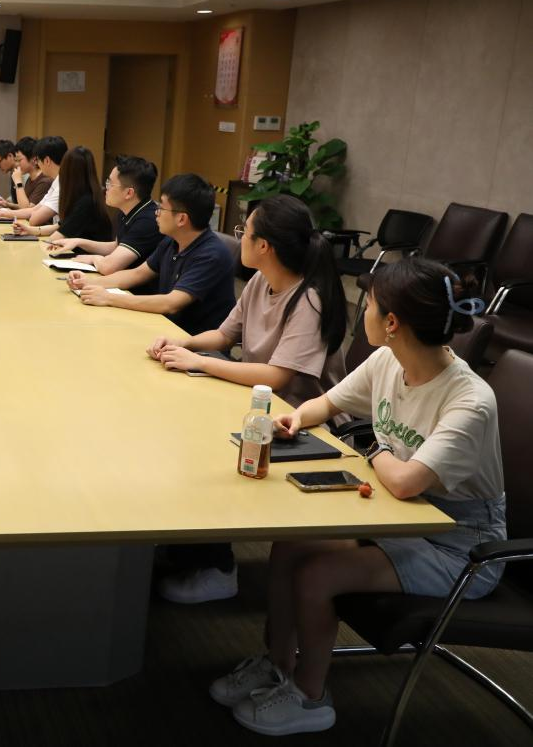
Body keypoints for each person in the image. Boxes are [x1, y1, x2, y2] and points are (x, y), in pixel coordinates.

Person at [211, 257, 504, 736]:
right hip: (402, 517)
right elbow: (329, 403)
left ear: (392, 323)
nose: (360, 311)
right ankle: (278, 664)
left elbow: (406, 481)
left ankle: (310, 696)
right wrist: (297, 419)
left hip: (460, 547)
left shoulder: (469, 401)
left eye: (367, 304)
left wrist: (374, 448)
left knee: (318, 574)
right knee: (289, 546)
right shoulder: (391, 360)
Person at [147, 194, 349, 604]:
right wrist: (183, 343)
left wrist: (199, 363)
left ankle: (219, 567)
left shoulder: (308, 300)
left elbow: (277, 377)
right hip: (255, 403)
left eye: (244, 232)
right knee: (175, 422)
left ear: (264, 246)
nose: (238, 238)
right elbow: (224, 336)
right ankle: (185, 545)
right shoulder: (261, 281)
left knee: (200, 449)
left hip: (300, 423)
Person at [70, 174, 235, 335]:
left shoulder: (211, 255)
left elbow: (171, 303)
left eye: (161, 207)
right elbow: (138, 273)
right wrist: (90, 283)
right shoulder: (172, 241)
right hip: (164, 328)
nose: (156, 212)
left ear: (181, 219)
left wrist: (108, 298)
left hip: (191, 341)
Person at [47, 155, 161, 279]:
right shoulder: (128, 210)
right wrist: (78, 242)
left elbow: (109, 267)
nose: (106, 188)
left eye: (110, 183)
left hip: (134, 289)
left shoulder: (147, 221)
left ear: (129, 193)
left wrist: (93, 258)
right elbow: (117, 246)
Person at [12, 146, 112, 242]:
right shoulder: (83, 194)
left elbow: (56, 237)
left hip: (80, 253)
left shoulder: (86, 201)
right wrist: (29, 230)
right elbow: (59, 226)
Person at [0, 136, 67, 224]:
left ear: (46, 160)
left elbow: (31, 216)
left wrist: (18, 183)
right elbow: (32, 210)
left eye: (39, 159)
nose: (17, 164)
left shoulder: (49, 182)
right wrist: (3, 212)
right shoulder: (55, 182)